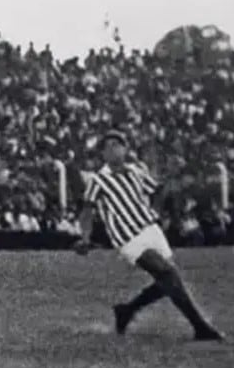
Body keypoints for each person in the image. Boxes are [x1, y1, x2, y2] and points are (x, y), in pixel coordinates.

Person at [74, 130, 226, 344]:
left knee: (168, 280)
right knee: (168, 273)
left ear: (125, 149)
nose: (114, 149)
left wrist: (169, 183)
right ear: (103, 154)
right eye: (108, 146)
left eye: (118, 144)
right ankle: (200, 327)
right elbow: (87, 211)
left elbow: (155, 191)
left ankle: (127, 310)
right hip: (128, 236)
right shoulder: (98, 180)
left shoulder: (136, 171)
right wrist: (86, 237)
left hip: (151, 229)